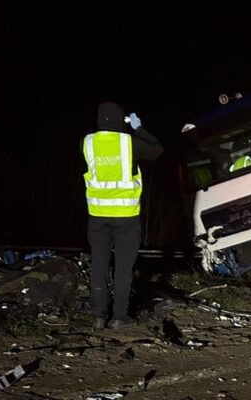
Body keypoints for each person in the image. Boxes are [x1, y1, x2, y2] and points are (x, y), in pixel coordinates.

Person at [83, 102, 162, 329]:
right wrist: (138, 128)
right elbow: (157, 150)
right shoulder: (129, 143)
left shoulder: (86, 143)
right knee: (123, 267)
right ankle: (119, 317)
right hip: (126, 216)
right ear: (120, 120)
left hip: (97, 215)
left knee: (98, 264)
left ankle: (98, 316)